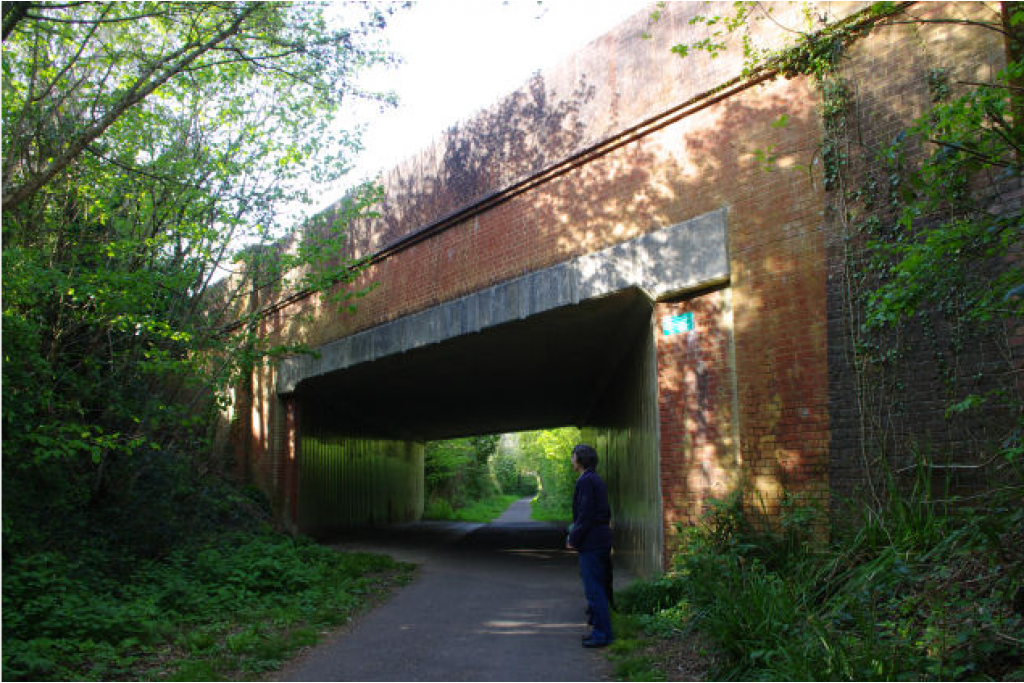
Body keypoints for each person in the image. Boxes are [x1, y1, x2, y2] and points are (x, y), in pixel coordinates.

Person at [565, 443, 613, 648]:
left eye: (573, 456)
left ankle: (601, 635)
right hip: (601, 538)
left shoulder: (586, 481)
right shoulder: (595, 479)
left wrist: (573, 538)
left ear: (580, 459)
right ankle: (599, 628)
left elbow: (585, 515)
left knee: (594, 589)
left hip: (592, 541)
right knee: (599, 586)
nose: (571, 459)